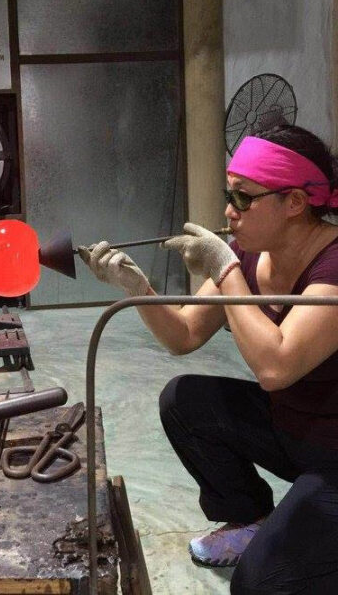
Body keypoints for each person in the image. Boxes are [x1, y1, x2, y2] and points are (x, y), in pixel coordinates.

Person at [78, 125, 338, 594]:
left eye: (243, 198)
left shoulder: (332, 267)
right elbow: (184, 335)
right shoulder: (247, 255)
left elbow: (275, 368)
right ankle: (251, 520)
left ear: (295, 202)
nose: (228, 211)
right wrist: (137, 289)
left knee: (259, 584)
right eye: (229, 194)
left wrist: (225, 269)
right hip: (297, 432)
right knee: (185, 399)